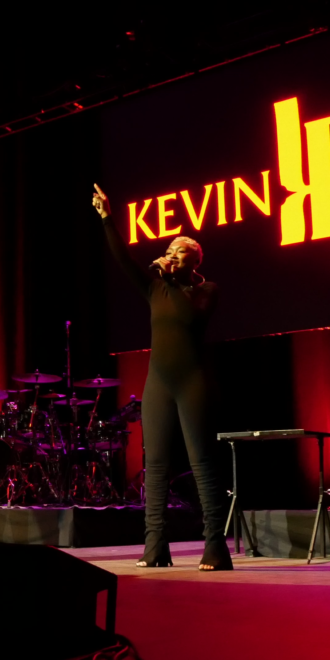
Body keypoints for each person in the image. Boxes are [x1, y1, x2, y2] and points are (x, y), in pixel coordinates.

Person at [91, 183, 231, 571]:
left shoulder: (206, 290)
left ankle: (215, 548)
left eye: (178, 251)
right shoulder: (153, 287)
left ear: (194, 259)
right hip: (159, 382)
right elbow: (122, 258)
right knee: (155, 465)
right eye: (167, 251)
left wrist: (170, 277)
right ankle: (155, 547)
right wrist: (108, 218)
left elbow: (192, 316)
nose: (169, 255)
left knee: (202, 463)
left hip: (193, 382)